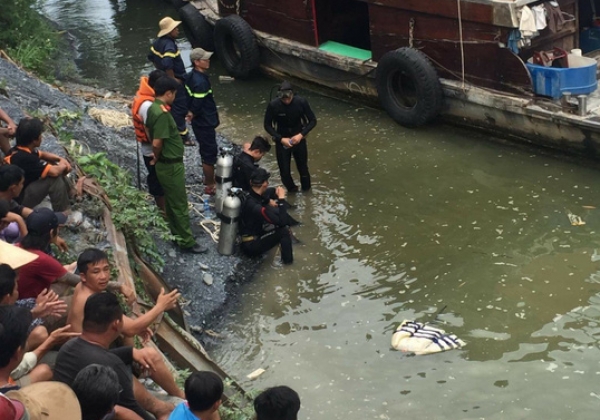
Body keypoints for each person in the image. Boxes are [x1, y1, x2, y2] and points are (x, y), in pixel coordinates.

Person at [67, 248, 184, 401]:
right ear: (83, 276)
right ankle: (181, 396)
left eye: (106, 269)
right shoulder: (91, 300)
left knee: (126, 333)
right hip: (91, 360)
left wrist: (119, 286)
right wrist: (160, 306)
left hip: (87, 348)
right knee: (151, 356)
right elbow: (131, 329)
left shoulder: (82, 287)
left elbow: (126, 326)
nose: (103, 276)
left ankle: (134, 369)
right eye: (96, 272)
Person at [54, 292, 176, 420]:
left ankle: (166, 404)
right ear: (116, 324)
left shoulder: (68, 348)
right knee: (123, 402)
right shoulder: (112, 366)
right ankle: (169, 405)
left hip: (66, 408)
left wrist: (130, 352)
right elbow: (133, 410)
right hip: (90, 414)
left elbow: (95, 358)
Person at [146, 76, 207, 254]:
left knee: (172, 203)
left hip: (166, 165)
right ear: (168, 93)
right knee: (179, 204)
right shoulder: (162, 114)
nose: (175, 97)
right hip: (170, 165)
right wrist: (156, 157)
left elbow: (149, 131)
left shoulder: (152, 108)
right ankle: (187, 242)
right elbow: (157, 142)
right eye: (174, 94)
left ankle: (177, 235)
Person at [3, 117, 73, 211]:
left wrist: (60, 159)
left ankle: (72, 194)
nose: (41, 137)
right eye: (40, 135)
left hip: (23, 188)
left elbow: (42, 154)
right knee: (54, 179)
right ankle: (63, 213)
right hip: (18, 199)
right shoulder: (25, 158)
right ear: (34, 140)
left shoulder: (18, 150)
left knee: (52, 164)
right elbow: (54, 172)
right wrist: (65, 165)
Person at [263, 81, 317, 192]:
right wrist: (280, 138)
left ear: (293, 94)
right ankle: (292, 190)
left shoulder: (301, 102)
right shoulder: (274, 105)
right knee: (284, 172)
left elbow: (313, 121)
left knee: (303, 169)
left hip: (299, 138)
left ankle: (307, 193)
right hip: (282, 140)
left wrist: (301, 135)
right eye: (283, 99)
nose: (286, 101)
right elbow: (267, 125)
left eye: (288, 98)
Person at [0, 164, 69, 251]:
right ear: (13, 188)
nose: (22, 186)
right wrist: (18, 219)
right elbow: (27, 245)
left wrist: (50, 230)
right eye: (21, 184)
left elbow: (21, 210)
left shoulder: (7, 199)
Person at [148, 17, 194, 146]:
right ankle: (183, 136)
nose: (177, 30)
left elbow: (151, 57)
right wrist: (173, 80)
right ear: (169, 31)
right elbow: (168, 63)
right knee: (180, 107)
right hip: (174, 81)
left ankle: (172, 127)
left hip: (162, 80)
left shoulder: (157, 42)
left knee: (170, 106)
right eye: (175, 28)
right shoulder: (169, 45)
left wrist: (161, 74)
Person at [17, 208, 80, 300]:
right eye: (57, 228)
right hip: (31, 305)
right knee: (78, 271)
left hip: (16, 297)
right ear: (51, 232)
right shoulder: (41, 259)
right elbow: (76, 281)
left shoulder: (16, 246)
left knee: (71, 267)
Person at [239, 168, 296, 265]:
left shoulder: (251, 195)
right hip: (251, 245)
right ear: (265, 183)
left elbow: (267, 194)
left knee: (275, 219)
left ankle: (296, 240)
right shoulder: (254, 206)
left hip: (253, 233)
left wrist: (269, 200)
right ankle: (288, 264)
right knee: (284, 231)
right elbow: (282, 222)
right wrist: (281, 199)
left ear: (251, 182)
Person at [185, 48, 219, 195]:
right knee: (209, 153)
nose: (208, 60)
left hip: (201, 121)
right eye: (205, 59)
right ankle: (210, 184)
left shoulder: (191, 76)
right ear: (197, 62)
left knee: (206, 150)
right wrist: (192, 112)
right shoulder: (200, 82)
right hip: (205, 121)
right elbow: (198, 103)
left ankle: (208, 178)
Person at [132, 69, 167, 212]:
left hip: (151, 149)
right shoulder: (147, 106)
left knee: (158, 179)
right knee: (157, 181)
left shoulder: (146, 98)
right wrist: (156, 152)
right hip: (151, 151)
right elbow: (150, 130)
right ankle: (163, 210)